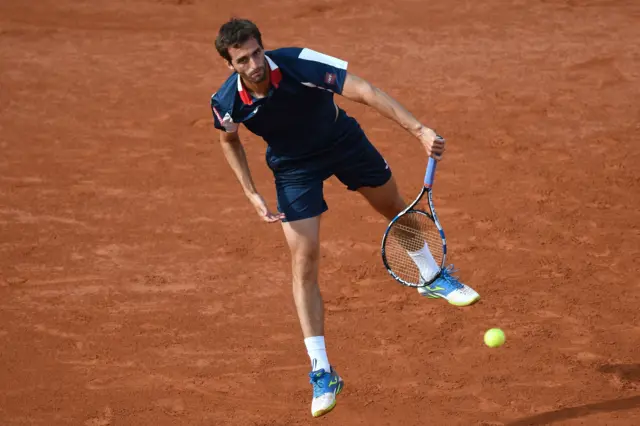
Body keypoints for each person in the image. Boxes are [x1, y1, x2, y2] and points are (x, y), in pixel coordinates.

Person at [210, 18, 480, 418]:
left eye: (256, 53)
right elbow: (227, 139)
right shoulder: (226, 101)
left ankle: (431, 276)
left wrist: (418, 130)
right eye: (243, 60)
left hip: (343, 142)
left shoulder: (300, 62)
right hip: (292, 168)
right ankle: (322, 372)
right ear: (230, 65)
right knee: (304, 259)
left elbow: (364, 90)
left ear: (263, 47)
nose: (254, 65)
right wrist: (250, 190)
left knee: (395, 209)